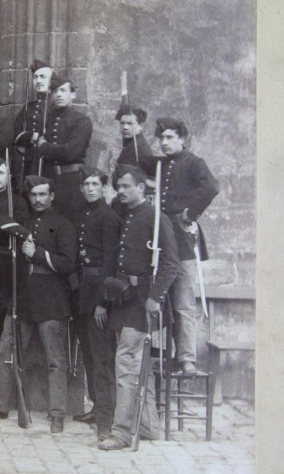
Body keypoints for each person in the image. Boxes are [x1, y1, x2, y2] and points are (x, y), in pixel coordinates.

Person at [99, 166, 179, 451]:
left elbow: (171, 263)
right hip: (125, 298)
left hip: (143, 301)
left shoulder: (157, 219)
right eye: (118, 186)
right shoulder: (125, 216)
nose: (119, 191)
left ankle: (121, 433)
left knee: (126, 364)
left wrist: (156, 297)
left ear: (141, 188)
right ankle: (147, 427)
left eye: (125, 186)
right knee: (132, 364)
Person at [148, 117, 220, 374]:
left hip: (182, 239)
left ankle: (186, 359)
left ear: (182, 139)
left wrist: (190, 214)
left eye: (169, 138)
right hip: (159, 237)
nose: (164, 143)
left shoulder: (193, 163)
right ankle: (157, 353)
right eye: (161, 138)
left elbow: (211, 187)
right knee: (157, 298)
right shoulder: (159, 165)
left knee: (183, 302)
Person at [18, 175, 76, 433]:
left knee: (55, 360)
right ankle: (15, 405)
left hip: (52, 299)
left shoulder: (63, 225)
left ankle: (57, 413)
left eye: (43, 194)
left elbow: (67, 264)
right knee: (17, 355)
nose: (38, 199)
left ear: (52, 196)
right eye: (33, 195)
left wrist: (37, 254)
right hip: (24, 298)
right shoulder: (25, 223)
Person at [69, 167, 121, 440]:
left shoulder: (108, 217)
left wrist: (103, 302)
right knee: (88, 353)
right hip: (82, 293)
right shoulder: (83, 214)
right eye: (86, 184)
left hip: (98, 293)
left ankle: (106, 419)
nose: (90, 188)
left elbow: (111, 262)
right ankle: (96, 405)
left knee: (101, 357)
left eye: (95, 184)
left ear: (104, 187)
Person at [0, 155, 31, 419]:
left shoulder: (18, 202)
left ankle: (4, 397)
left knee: (8, 334)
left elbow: (22, 231)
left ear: (7, 174)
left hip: (11, 266)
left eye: (1, 172)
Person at [32, 76, 93, 221]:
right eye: (55, 91)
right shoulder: (48, 121)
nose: (59, 95)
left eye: (63, 90)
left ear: (73, 94)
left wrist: (44, 147)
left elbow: (70, 152)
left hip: (71, 183)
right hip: (49, 180)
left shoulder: (81, 120)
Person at [13, 60, 55, 190]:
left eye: (43, 77)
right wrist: (34, 136)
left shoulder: (57, 107)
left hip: (50, 164)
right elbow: (16, 133)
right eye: (35, 77)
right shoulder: (28, 108)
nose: (38, 80)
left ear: (52, 80)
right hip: (29, 163)